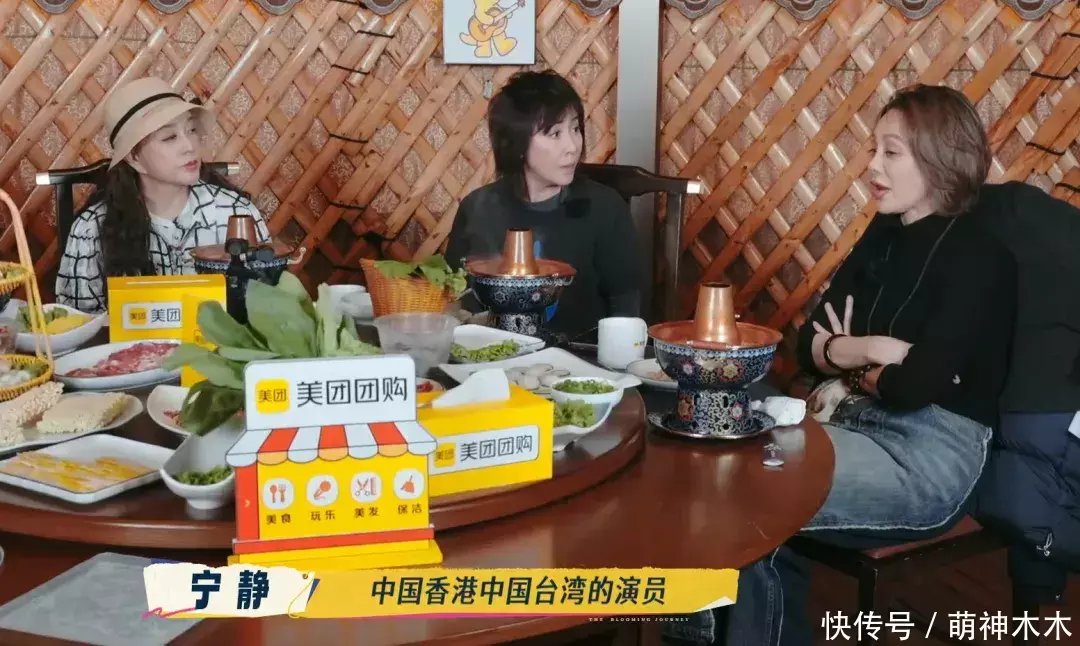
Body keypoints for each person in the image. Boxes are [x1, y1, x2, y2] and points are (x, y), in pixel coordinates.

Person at [715, 84, 1018, 646]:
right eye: (873, 149)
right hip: (849, 423)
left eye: (890, 152)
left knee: (755, 494)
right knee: (721, 467)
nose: (872, 166)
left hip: (927, 456)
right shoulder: (884, 233)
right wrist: (874, 349)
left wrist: (846, 355)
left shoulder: (981, 258)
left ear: (940, 158)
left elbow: (914, 387)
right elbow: (808, 343)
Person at [444, 70, 644, 339]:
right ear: (516, 142)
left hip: (581, 358)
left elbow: (627, 303)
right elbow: (455, 299)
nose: (572, 146)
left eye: (575, 129)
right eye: (554, 133)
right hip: (493, 356)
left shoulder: (605, 208)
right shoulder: (478, 208)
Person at [56, 76, 269, 314]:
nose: (190, 146)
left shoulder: (236, 214)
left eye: (191, 130)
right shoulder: (90, 229)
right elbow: (77, 322)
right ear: (134, 158)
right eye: (170, 137)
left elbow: (269, 307)